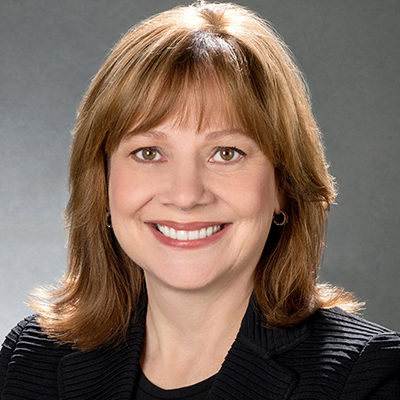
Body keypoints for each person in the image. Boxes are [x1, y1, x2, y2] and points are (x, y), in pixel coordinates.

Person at [1, 1, 399, 399]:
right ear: (103, 181)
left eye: (226, 152)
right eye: (149, 152)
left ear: (283, 183)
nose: (186, 195)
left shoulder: (368, 379)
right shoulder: (31, 359)